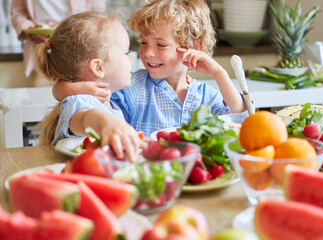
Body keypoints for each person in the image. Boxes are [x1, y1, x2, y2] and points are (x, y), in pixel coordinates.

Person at [53, 0, 247, 137]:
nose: (147, 53)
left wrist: (219, 73)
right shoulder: (131, 86)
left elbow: (239, 119)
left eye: (161, 45)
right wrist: (65, 89)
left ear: (195, 47)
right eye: (143, 42)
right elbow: (81, 103)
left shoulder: (206, 96)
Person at [36, 11, 141, 162]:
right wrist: (107, 122)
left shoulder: (113, 97)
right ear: (98, 67)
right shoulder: (79, 102)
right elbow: (87, 118)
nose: (131, 59)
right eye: (126, 52)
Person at [11, 0, 106, 87]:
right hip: (42, 53)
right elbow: (17, 13)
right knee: (45, 97)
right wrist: (30, 30)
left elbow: (98, 13)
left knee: (84, 98)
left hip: (81, 49)